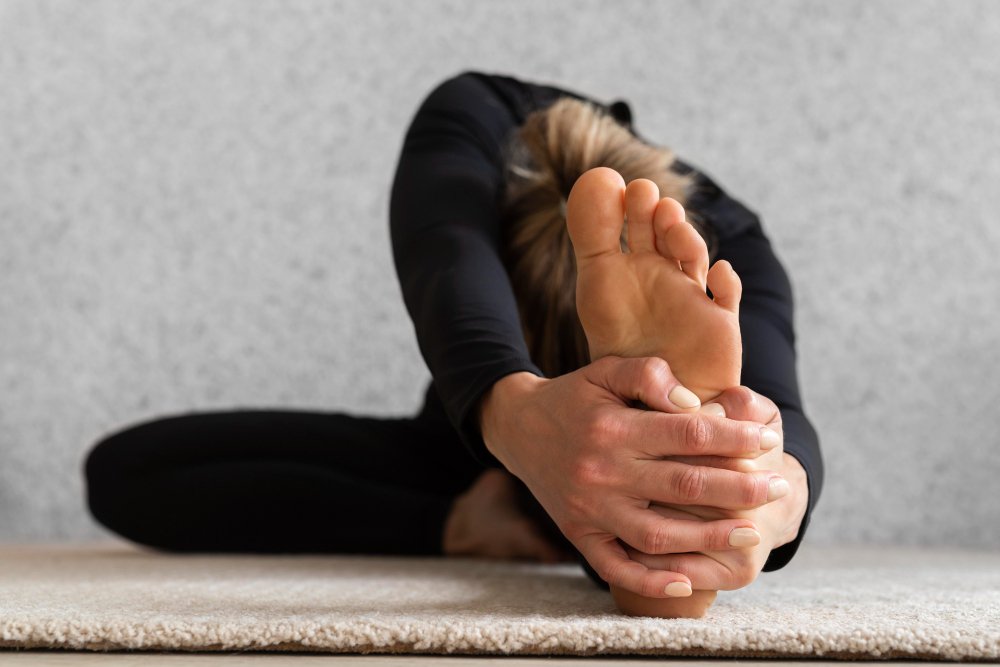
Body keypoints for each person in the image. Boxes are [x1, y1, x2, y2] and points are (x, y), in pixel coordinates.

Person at [83, 71, 823, 618]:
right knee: (123, 470)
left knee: (714, 449)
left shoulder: (724, 243)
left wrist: (765, 498)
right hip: (477, 436)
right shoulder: (477, 120)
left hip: (618, 458)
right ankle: (556, 510)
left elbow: (781, 419)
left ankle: (660, 482)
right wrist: (516, 422)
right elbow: (449, 264)